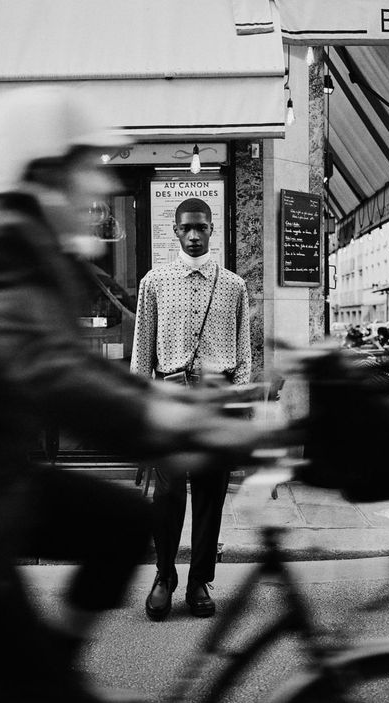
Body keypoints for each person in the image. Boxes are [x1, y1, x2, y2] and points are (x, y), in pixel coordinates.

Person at [0, 88, 260, 703]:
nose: (97, 188)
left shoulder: (43, 250)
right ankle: (37, 683)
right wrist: (163, 419)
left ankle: (48, 673)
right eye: (86, 169)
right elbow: (49, 373)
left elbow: (82, 371)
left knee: (124, 520)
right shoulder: (10, 246)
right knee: (28, 678)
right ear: (47, 172)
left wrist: (188, 410)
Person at [131, 197, 251, 621]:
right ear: (176, 231)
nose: (195, 235)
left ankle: (200, 578)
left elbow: (244, 354)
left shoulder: (234, 285)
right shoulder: (154, 281)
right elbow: (142, 352)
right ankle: (164, 575)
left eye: (202, 227)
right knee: (165, 494)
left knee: (209, 494)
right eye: (187, 228)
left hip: (215, 402)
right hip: (169, 399)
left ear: (212, 229)